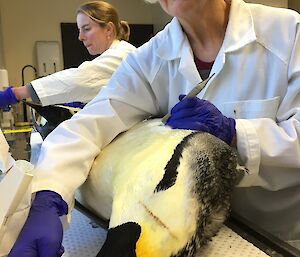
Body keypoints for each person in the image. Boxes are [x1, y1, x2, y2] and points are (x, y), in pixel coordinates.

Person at [9, 0, 300, 256]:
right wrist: (49, 193)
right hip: (193, 238)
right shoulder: (149, 59)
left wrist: (235, 132)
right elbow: (87, 126)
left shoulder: (287, 32)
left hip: (279, 236)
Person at [0, 1, 136, 109]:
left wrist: (14, 94)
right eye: (79, 30)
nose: (80, 37)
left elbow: (80, 79)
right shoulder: (116, 54)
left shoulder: (122, 54)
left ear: (108, 29)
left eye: (86, 29)